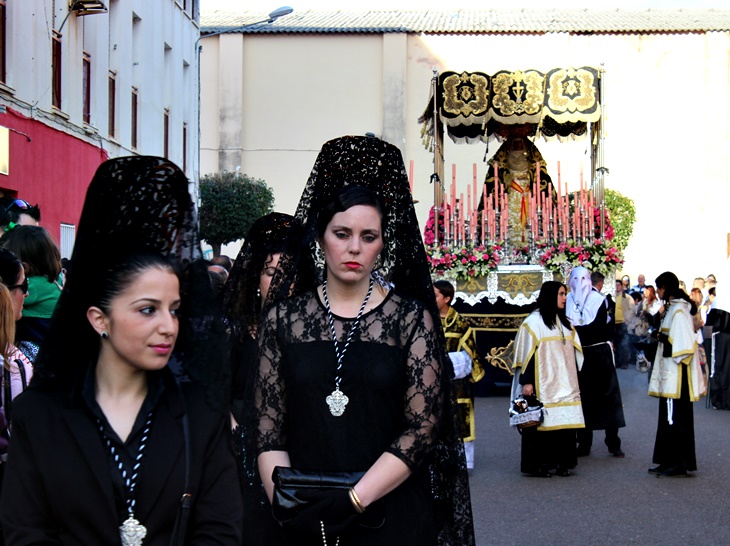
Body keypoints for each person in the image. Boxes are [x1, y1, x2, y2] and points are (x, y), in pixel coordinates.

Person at [0, 156, 243, 544]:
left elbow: (220, 531)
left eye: (175, 310)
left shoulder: (199, 415)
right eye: (148, 309)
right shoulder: (40, 416)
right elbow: (25, 533)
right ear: (99, 319)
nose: (168, 326)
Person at [254, 136, 474, 546]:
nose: (354, 247)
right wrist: (287, 506)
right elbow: (269, 429)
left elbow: (422, 428)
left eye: (368, 236)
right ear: (320, 238)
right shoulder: (282, 320)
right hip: (301, 518)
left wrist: (355, 499)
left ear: (383, 244)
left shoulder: (410, 320)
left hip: (390, 516)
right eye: (342, 233)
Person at [222, 211, 299, 546]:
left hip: (296, 448)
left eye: (288, 272)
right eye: (271, 272)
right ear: (256, 277)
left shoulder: (311, 332)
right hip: (241, 452)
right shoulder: (236, 329)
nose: (281, 281)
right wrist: (234, 430)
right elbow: (212, 388)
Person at [511, 281, 585, 477]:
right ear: (550, 295)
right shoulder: (533, 323)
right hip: (542, 382)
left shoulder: (566, 323)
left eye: (565, 294)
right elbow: (526, 355)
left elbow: (576, 351)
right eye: (561, 294)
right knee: (540, 425)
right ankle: (538, 465)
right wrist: (527, 382)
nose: (564, 298)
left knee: (564, 424)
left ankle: (562, 463)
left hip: (565, 383)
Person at [648, 272, 706, 477]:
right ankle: (666, 460)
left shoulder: (679, 310)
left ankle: (679, 462)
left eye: (659, 289)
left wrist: (661, 337)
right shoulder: (672, 308)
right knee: (667, 419)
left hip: (677, 378)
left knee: (676, 419)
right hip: (669, 376)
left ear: (666, 288)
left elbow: (682, 346)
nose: (658, 293)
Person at [566, 267, 626, 458]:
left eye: (583, 278)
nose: (579, 283)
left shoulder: (600, 300)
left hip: (599, 353)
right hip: (578, 354)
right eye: (575, 279)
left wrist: (576, 330)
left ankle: (613, 442)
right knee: (582, 398)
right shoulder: (567, 300)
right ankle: (584, 442)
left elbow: (599, 327)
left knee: (608, 397)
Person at [433, 279, 483, 470]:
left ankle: (460, 460)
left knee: (458, 420)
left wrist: (444, 363)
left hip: (455, 383)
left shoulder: (461, 324)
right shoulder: (425, 319)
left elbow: (470, 355)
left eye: (435, 294)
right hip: (430, 382)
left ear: (447, 298)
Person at [0, 225, 63, 362]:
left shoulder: (33, 285)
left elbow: (7, 298)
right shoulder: (54, 280)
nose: (25, 293)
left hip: (37, 338)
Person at [614, 279, 635, 369]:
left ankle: (625, 362)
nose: (617, 287)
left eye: (618, 285)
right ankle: (617, 361)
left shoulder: (627, 297)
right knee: (616, 343)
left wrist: (628, 320)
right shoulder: (612, 296)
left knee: (624, 343)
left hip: (623, 323)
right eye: (615, 285)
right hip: (614, 323)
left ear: (622, 286)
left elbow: (632, 309)